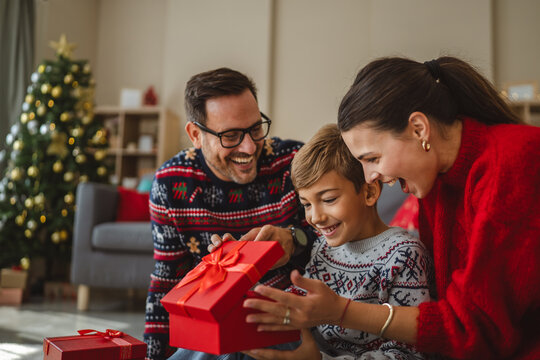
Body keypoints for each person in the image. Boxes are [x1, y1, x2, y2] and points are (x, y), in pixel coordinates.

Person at [242, 56, 540, 359]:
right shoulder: (438, 184)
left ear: (419, 129)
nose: (371, 177)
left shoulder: (514, 164)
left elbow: (469, 329)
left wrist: (340, 313)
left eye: (372, 158)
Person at [144, 67, 316, 360]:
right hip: (212, 325)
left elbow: (335, 245)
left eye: (255, 129)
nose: (249, 147)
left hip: (287, 318)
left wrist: (293, 241)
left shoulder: (294, 163)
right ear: (196, 134)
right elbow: (167, 284)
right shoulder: (170, 184)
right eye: (232, 136)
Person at [242, 123, 433, 359]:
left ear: (369, 193)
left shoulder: (405, 255)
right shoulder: (323, 247)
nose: (316, 217)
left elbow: (408, 355)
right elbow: (301, 310)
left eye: (329, 199)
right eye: (306, 204)